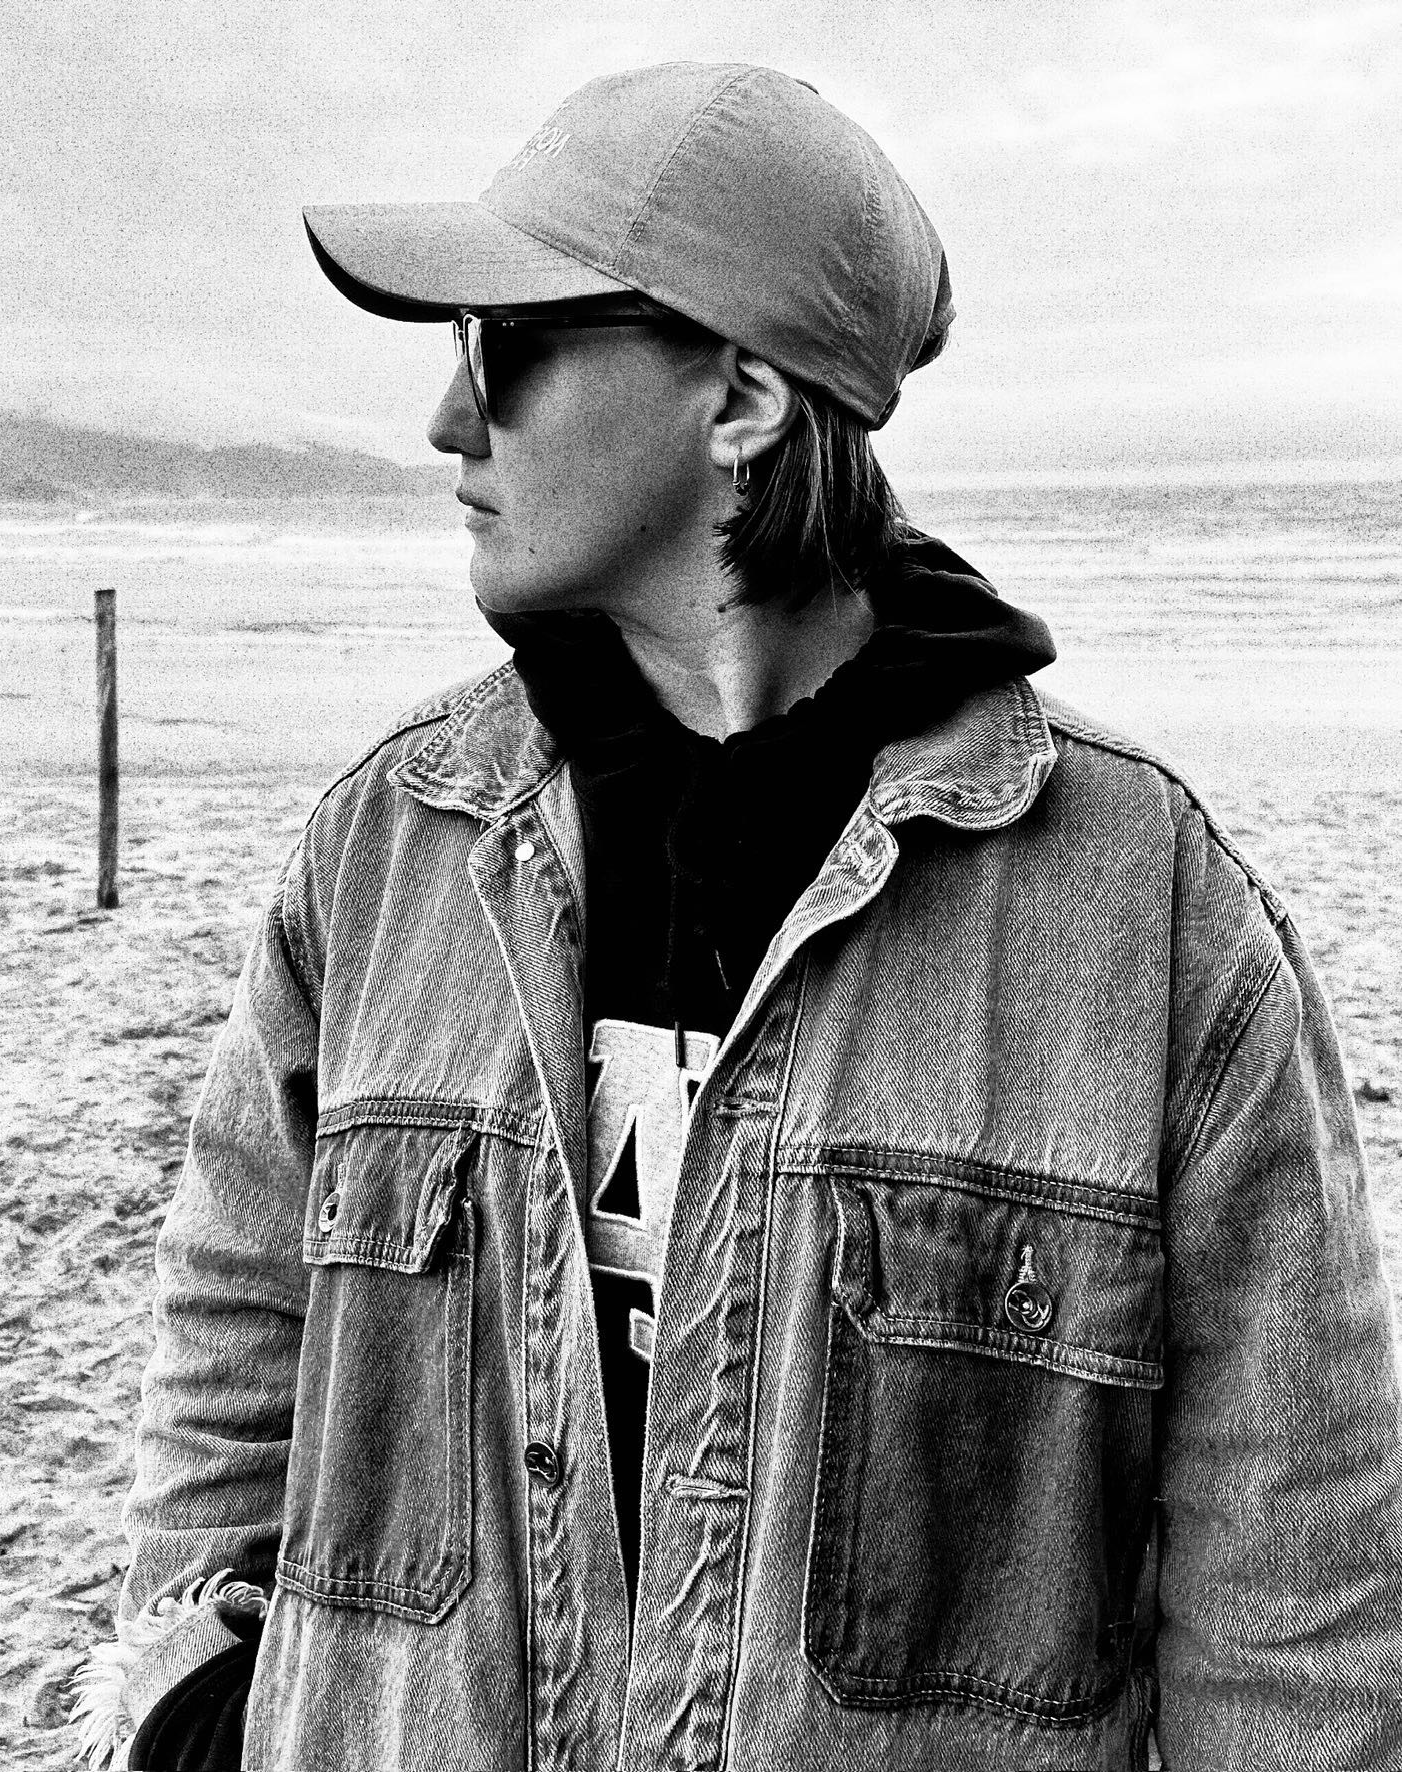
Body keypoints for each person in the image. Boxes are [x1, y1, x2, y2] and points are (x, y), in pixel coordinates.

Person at [75, 62, 1402, 1771]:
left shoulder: (1147, 917)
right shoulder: (392, 848)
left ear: (745, 399)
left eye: (505, 345)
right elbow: (235, 1338)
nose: (449, 421)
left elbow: (1295, 1600)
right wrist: (192, 1709)